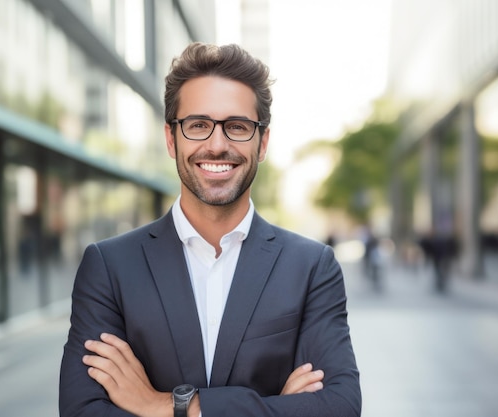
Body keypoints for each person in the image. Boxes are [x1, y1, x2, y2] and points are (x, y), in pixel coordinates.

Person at [59, 42, 361, 417]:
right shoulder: (109, 266)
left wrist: (165, 406)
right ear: (171, 139)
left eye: (237, 127)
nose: (217, 145)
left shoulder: (312, 266)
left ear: (262, 142)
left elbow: (338, 406)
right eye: (198, 125)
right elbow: (83, 410)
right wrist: (276, 408)